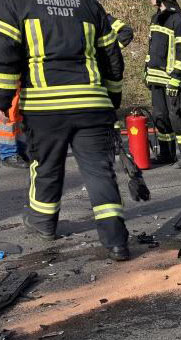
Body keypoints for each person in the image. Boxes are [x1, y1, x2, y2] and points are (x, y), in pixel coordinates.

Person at [0, 0, 131, 260]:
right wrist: (112, 98)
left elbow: (5, 54)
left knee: (46, 165)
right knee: (100, 172)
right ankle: (116, 241)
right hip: (92, 103)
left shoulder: (15, 4)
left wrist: (3, 101)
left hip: (44, 106)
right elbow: (111, 56)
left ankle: (44, 223)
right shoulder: (88, 5)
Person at [146, 0, 181, 168]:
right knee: (161, 117)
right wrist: (146, 70)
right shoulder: (156, 18)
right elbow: (151, 48)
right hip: (156, 78)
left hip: (172, 80)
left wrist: (176, 77)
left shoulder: (179, 20)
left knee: (178, 117)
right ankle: (167, 154)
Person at [0, 85, 26, 169]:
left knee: (18, 116)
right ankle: (8, 154)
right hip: (8, 81)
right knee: (8, 117)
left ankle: (21, 149)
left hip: (18, 82)